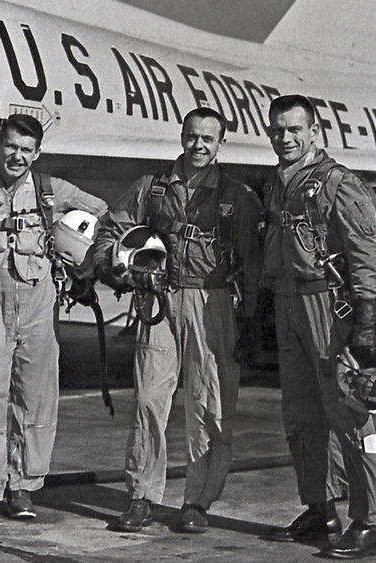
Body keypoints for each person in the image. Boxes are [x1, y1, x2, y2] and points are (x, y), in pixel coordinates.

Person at [91, 107, 263, 534]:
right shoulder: (152, 189)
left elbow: (253, 262)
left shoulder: (237, 197)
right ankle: (141, 495)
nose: (199, 145)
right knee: (150, 399)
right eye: (192, 137)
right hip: (160, 299)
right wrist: (114, 268)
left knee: (209, 405)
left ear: (221, 143)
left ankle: (198, 501)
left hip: (213, 302)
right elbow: (110, 231)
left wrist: (253, 321)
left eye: (208, 138)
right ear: (181, 137)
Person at [0, 113, 107, 521]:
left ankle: (22, 486)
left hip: (39, 300)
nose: (17, 156)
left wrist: (82, 263)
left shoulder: (52, 190)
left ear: (36, 153)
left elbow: (104, 215)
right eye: (11, 147)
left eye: (26, 150)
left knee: (34, 397)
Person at [260, 95, 376, 559]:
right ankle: (321, 509)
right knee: (301, 417)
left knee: (349, 414)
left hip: (329, 307)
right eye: (277, 130)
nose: (285, 138)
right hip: (290, 302)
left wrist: (366, 326)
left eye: (295, 130)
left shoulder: (339, 183)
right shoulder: (281, 183)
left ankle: (369, 521)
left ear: (315, 131)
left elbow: (367, 255)